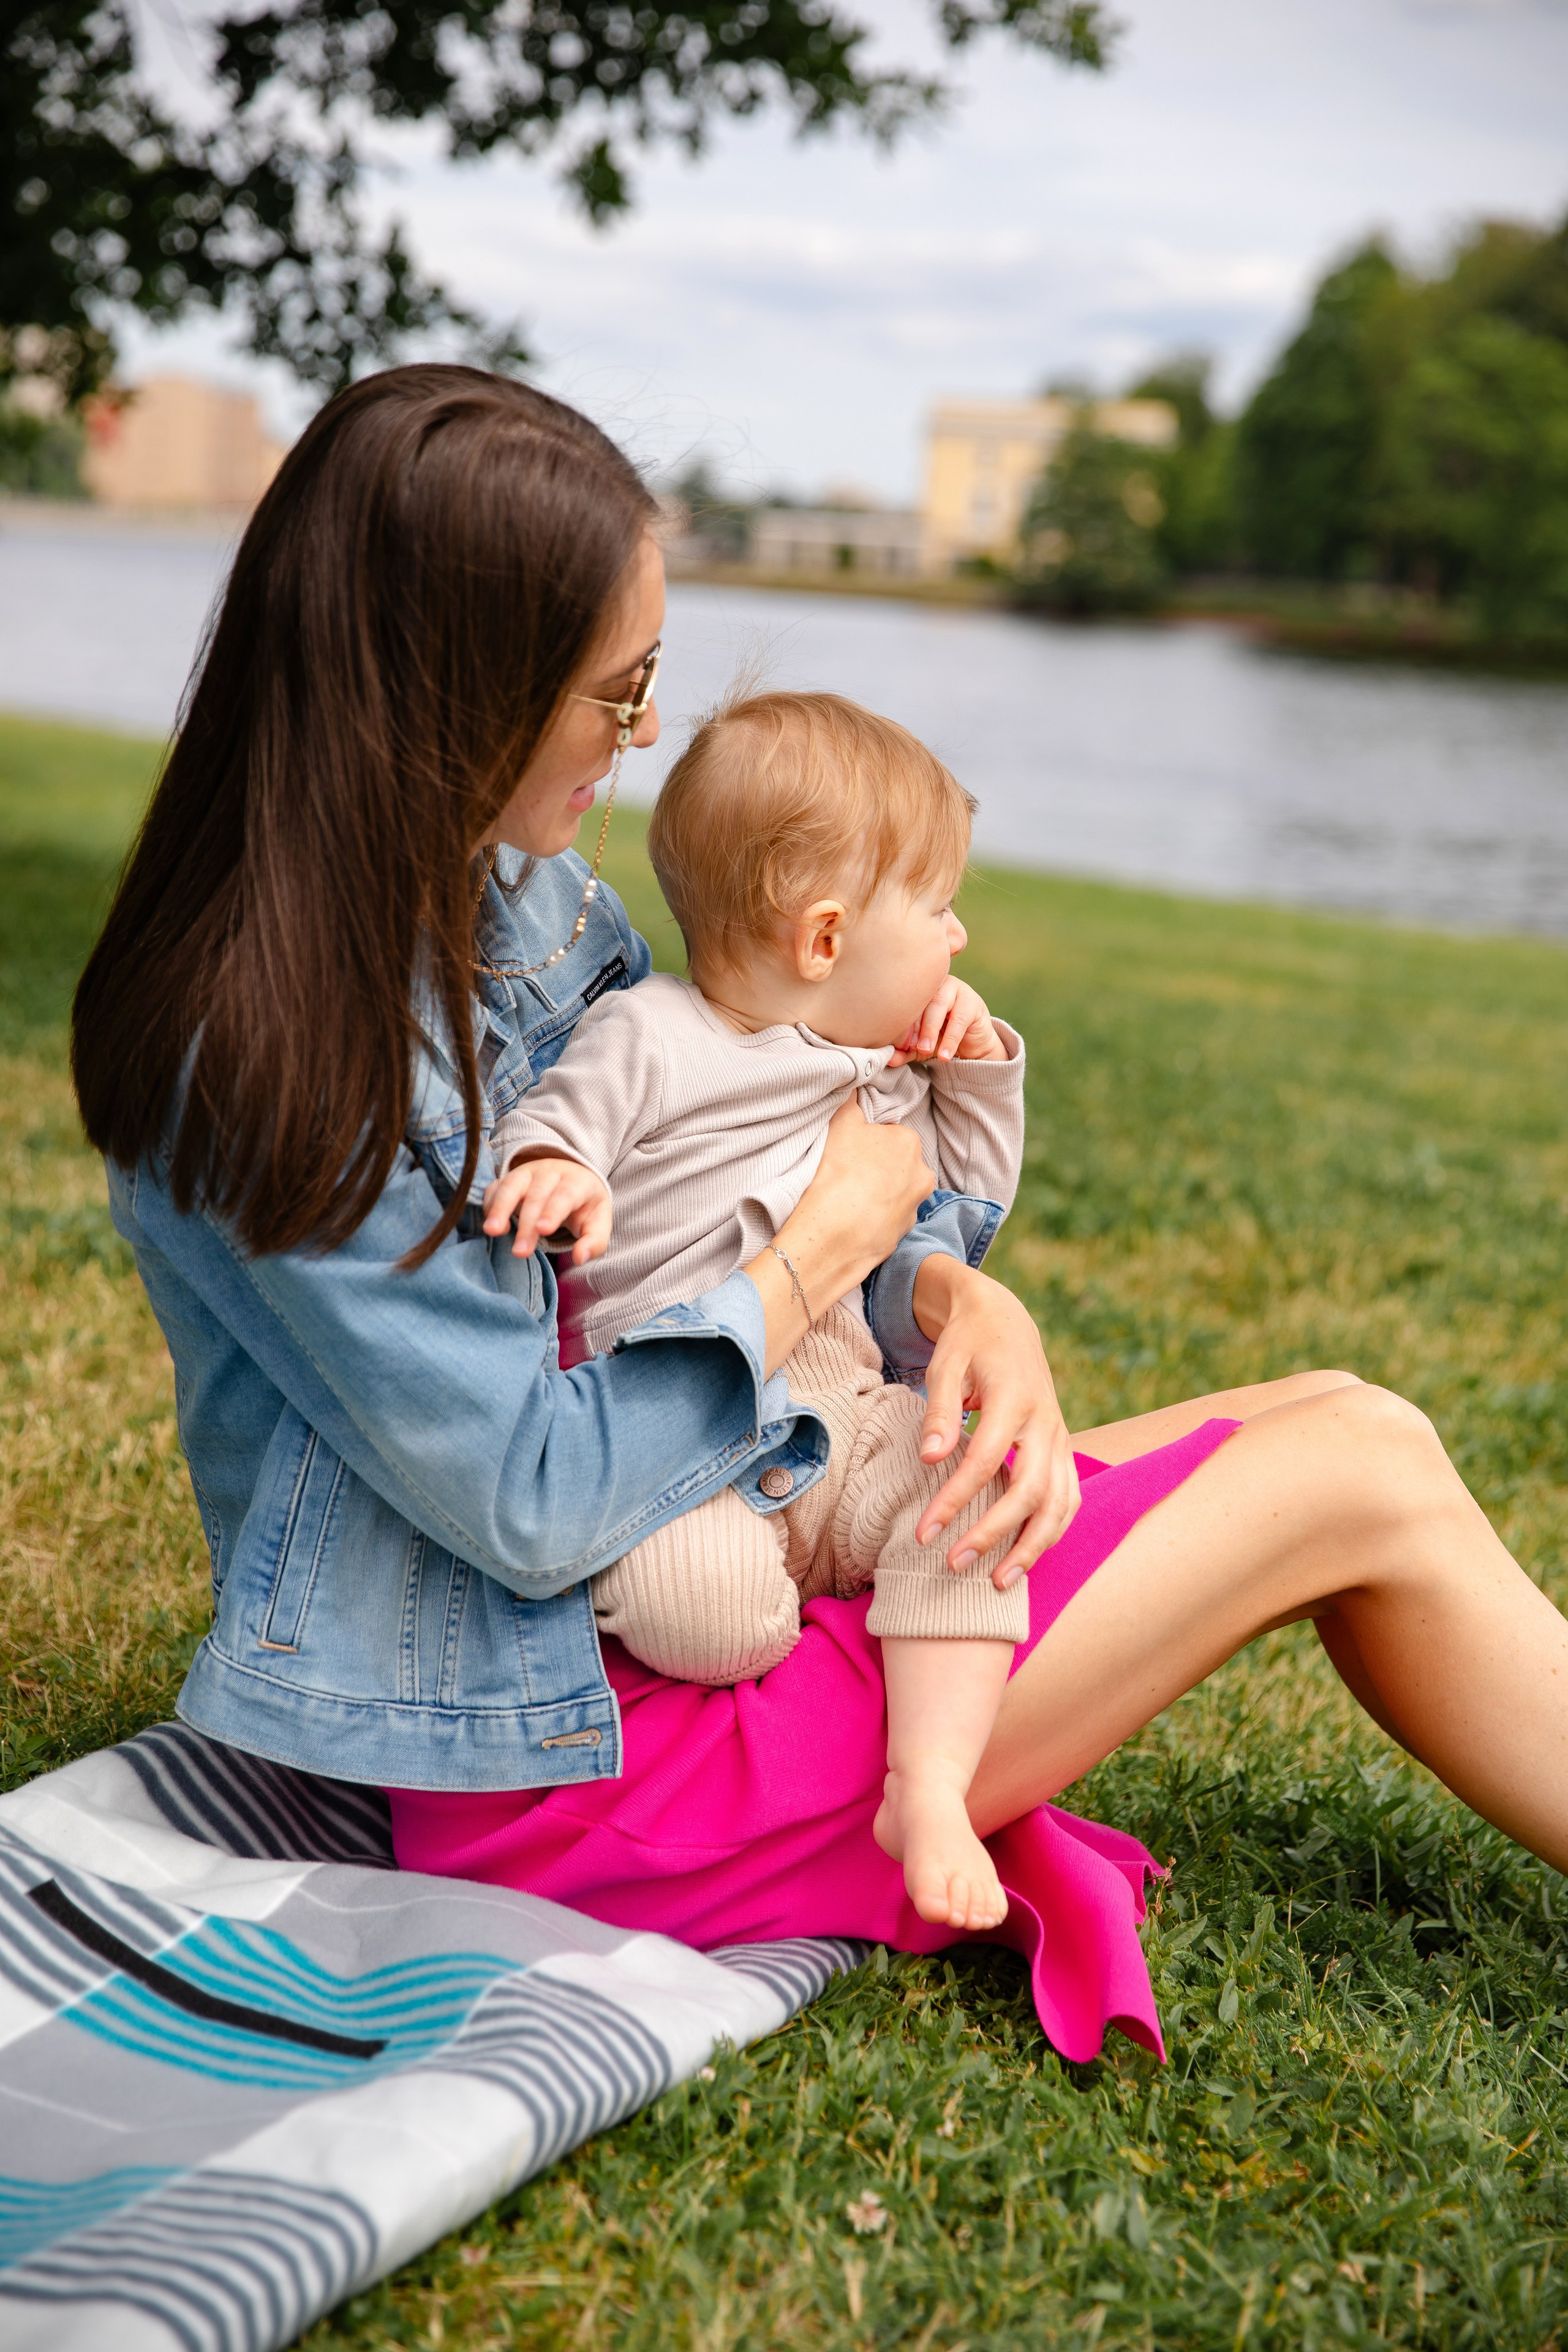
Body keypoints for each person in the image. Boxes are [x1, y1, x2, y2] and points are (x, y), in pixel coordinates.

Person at [71, 363, 1568, 2067]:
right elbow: (535, 1500)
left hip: (725, 1576)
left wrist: (945, 1299)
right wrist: (830, 1254)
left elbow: (733, 1151)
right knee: (1352, 1467)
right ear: (455, 689)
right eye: (614, 690)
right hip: (579, 1754)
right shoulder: (267, 1060)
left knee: (1347, 1428)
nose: (644, 739)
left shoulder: (524, 908)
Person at [481, 688, 1031, 1935]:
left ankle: (928, 1788)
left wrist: (977, 1065)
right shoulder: (651, 1035)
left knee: (970, 1503)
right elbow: (560, 1120)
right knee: (711, 1624)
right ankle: (844, 1641)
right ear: (825, 939)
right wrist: (556, 1167)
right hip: (681, 1456)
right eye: (938, 910)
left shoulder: (881, 1074)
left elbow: (961, 1203)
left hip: (843, 1415)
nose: (956, 938)